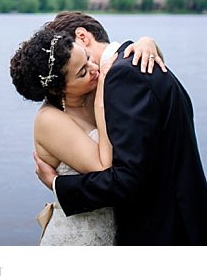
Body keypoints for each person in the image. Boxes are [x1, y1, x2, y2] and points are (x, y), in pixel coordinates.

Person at [26, 11, 207, 245]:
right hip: (185, 219)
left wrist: (57, 184)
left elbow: (127, 179)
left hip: (164, 231)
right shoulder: (134, 63)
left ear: (82, 37)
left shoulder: (122, 75)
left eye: (68, 51)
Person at [9, 14, 166, 245]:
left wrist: (146, 42)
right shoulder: (50, 120)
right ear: (57, 90)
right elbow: (104, 166)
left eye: (88, 59)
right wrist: (101, 96)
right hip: (77, 236)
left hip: (115, 229)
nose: (94, 68)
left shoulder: (87, 90)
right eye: (82, 72)